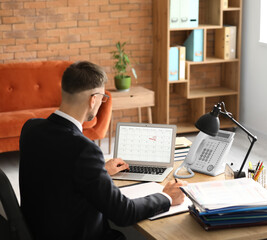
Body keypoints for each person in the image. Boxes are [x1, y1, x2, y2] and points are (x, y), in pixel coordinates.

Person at [19, 61, 187, 240]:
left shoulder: (30, 128)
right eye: (102, 98)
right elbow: (124, 213)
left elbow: (54, 167)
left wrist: (99, 171)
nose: (101, 103)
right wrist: (166, 197)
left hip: (39, 230)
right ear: (93, 100)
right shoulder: (84, 149)